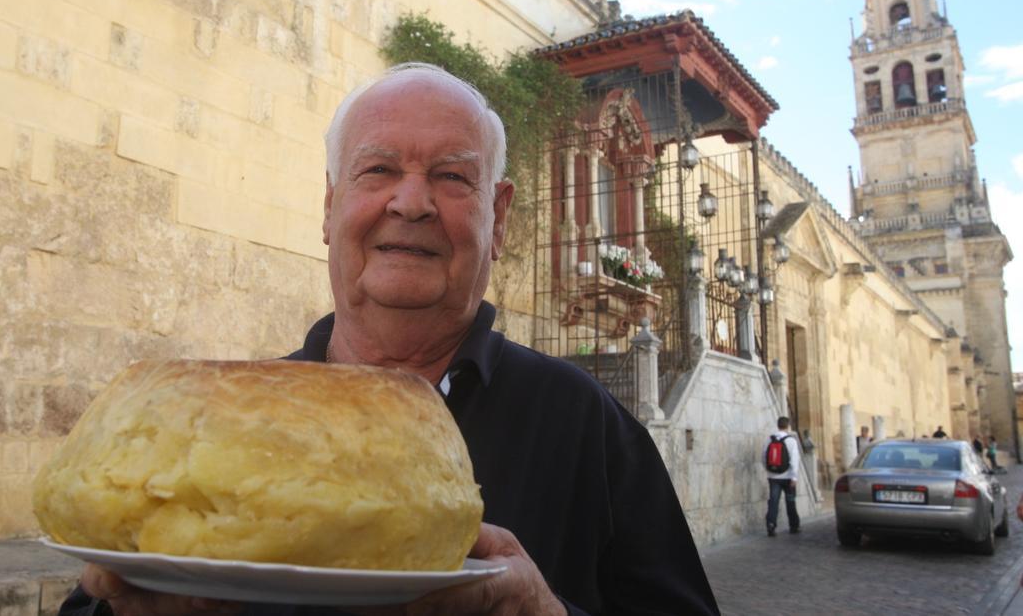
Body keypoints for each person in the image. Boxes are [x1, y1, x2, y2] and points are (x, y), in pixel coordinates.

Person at [59, 63, 720, 615]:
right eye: (376, 170)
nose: (410, 201)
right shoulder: (219, 430)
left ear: (499, 215)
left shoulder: (582, 424)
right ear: (329, 207)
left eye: (453, 176)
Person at [765, 416, 801, 537]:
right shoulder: (791, 440)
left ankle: (771, 525)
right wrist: (794, 477)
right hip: (788, 477)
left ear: (778, 425)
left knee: (773, 501)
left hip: (773, 477)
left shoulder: (769, 440)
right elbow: (794, 460)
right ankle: (794, 526)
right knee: (790, 501)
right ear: (788, 426)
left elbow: (763, 457)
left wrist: (769, 471)